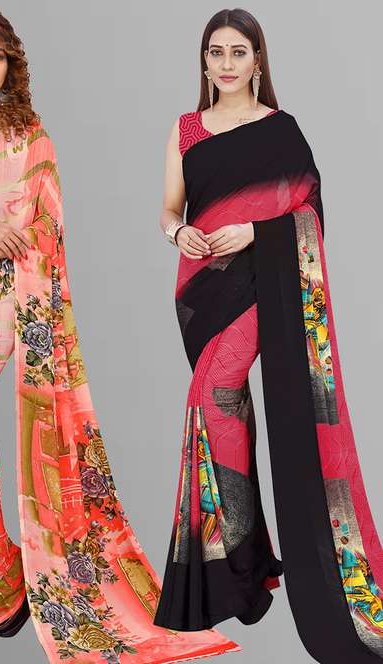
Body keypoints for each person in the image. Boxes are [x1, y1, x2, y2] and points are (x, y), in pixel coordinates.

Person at [0, 8, 241, 662]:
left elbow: (45, 227)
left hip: (4, 290)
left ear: (10, 65)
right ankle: (4, 582)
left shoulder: (30, 136)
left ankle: (9, 581)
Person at [153, 8, 383, 664]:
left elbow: (309, 210)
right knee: (219, 404)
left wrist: (256, 232)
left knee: (214, 394)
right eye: (216, 52)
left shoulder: (282, 129)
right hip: (202, 289)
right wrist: (178, 232)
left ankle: (232, 566)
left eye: (239, 52)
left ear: (258, 61)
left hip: (263, 283)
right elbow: (169, 207)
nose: (226, 63)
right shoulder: (186, 129)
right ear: (204, 61)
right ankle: (245, 564)